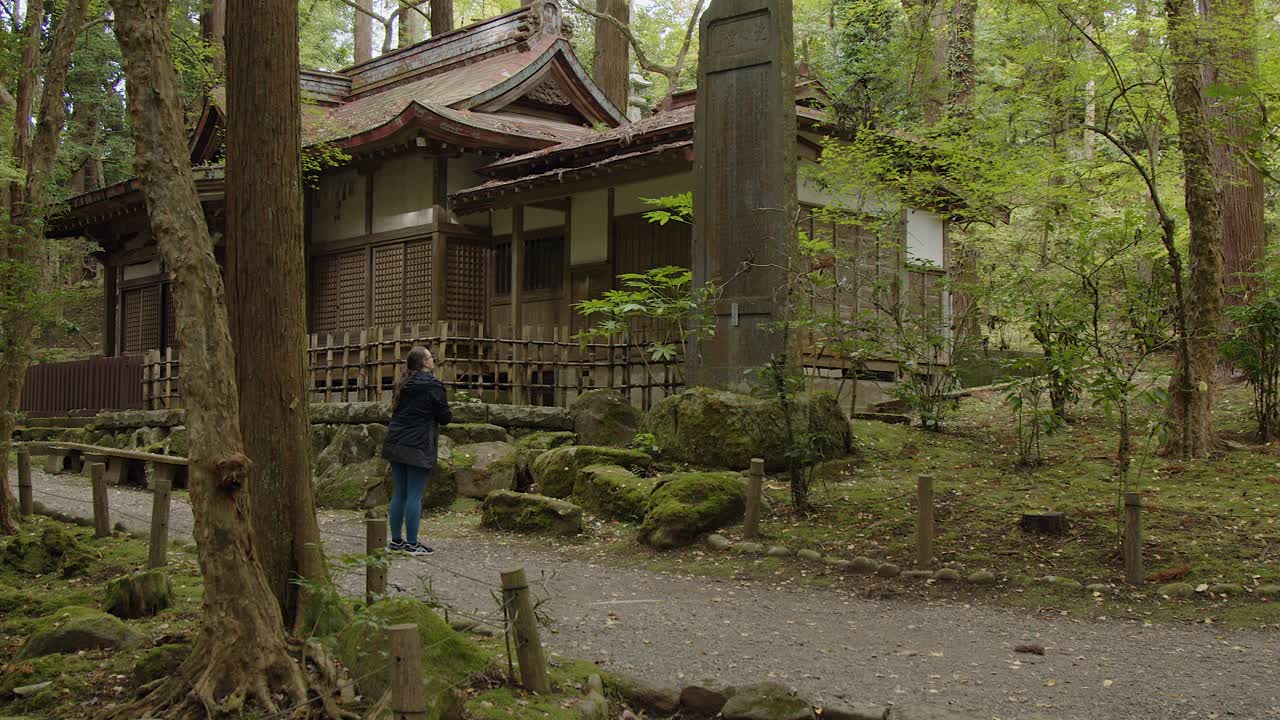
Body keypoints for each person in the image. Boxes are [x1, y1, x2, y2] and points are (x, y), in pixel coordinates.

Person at [381, 345, 451, 555]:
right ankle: (412, 543)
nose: (433, 359)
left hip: (396, 441)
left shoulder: (402, 383)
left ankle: (396, 541)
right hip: (418, 443)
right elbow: (445, 417)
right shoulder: (433, 386)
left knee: (399, 493)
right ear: (425, 363)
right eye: (431, 357)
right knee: (414, 495)